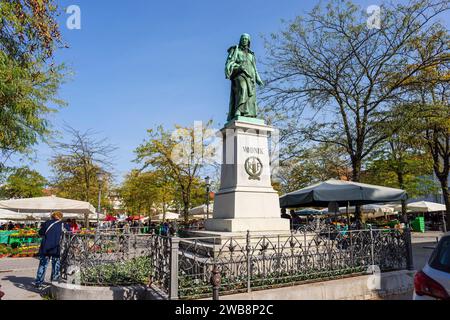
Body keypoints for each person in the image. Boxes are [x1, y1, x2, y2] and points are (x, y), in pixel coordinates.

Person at [225, 33, 264, 121]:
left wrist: (258, 79)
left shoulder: (251, 55)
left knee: (250, 97)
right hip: (239, 74)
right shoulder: (236, 51)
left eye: (246, 39)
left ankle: (248, 113)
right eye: (242, 38)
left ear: (249, 41)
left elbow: (255, 68)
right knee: (243, 88)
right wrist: (238, 67)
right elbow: (229, 63)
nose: (244, 40)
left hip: (251, 77)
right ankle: (238, 110)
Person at [33, 211, 69, 288]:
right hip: (56, 248)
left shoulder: (47, 223)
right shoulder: (63, 224)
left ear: (53, 216)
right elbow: (69, 234)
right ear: (61, 217)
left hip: (45, 247)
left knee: (43, 265)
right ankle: (54, 282)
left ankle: (38, 282)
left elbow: (40, 233)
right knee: (56, 265)